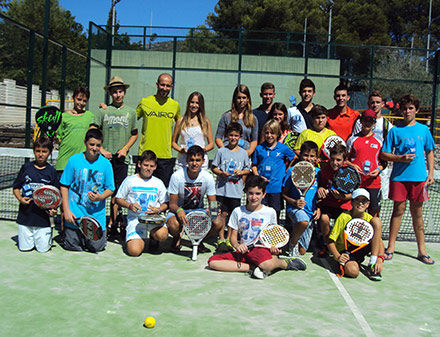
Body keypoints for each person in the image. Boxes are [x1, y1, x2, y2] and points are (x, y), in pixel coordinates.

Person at [207, 175, 307, 279]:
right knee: (213, 262)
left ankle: (284, 263)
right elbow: (233, 236)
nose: (254, 197)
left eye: (258, 194)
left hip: (261, 251)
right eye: (251, 193)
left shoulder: (270, 212)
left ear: (264, 194)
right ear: (246, 193)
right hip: (244, 251)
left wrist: (274, 247)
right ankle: (253, 267)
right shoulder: (237, 211)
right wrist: (237, 246)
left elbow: (273, 235)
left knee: (266, 264)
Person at [380, 94, 435, 264]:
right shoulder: (395, 130)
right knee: (398, 211)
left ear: (416, 110)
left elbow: (430, 152)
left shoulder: (424, 130)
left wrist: (431, 174)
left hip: (418, 178)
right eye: (404, 109)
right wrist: (400, 158)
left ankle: (422, 250)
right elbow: (384, 153)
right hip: (399, 178)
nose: (407, 111)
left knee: (417, 214)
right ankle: (390, 247)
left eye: (410, 108)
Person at [91, 76, 138, 236]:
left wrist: (125, 148)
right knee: (101, 190)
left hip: (121, 160)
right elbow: (93, 132)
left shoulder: (131, 112)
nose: (118, 94)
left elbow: (134, 134)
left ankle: (114, 221)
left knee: (118, 193)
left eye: (120, 91)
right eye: (115, 92)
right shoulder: (103, 111)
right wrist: (102, 150)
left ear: (124, 92)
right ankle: (99, 221)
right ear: (110, 93)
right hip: (103, 160)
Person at [60, 128, 115, 253]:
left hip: (95, 218)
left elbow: (110, 188)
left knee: (96, 248)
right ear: (85, 142)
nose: (94, 148)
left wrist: (100, 197)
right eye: (92, 144)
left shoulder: (106, 164)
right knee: (72, 248)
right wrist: (66, 211)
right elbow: (64, 185)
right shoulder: (74, 160)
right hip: (75, 216)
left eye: (98, 145)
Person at [166, 145, 222, 253]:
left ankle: (198, 240)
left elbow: (213, 202)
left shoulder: (208, 177)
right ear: (187, 160)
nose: (194, 163)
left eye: (198, 160)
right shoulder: (176, 176)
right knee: (173, 224)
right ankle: (176, 238)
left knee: (218, 222)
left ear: (203, 161)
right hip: (178, 211)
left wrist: (213, 211)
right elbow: (172, 204)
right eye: (191, 160)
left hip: (198, 211)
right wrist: (179, 210)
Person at [115, 150, 169, 257]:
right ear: (139, 164)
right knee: (134, 252)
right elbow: (118, 199)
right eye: (146, 165)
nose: (148, 168)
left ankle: (154, 238)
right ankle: (138, 238)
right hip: (136, 221)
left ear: (155, 167)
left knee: (163, 235)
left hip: (154, 221)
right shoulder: (130, 180)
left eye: (151, 166)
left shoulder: (158, 183)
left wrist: (158, 210)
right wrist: (129, 205)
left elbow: (166, 203)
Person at [12, 137, 59, 253]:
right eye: (38, 151)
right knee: (24, 249)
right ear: (34, 151)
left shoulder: (52, 172)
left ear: (49, 153)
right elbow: (16, 187)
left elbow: (56, 195)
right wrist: (20, 198)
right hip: (25, 218)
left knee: (43, 250)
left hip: (43, 221)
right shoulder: (26, 168)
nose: (40, 155)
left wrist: (54, 209)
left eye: (44, 151)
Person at [327, 188, 384, 280]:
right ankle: (351, 263)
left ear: (368, 204)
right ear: (352, 202)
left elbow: (379, 243)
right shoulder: (343, 217)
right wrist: (338, 257)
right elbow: (330, 241)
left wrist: (379, 259)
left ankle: (372, 263)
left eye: (364, 201)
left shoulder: (370, 219)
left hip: (362, 247)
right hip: (346, 251)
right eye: (357, 200)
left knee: (377, 221)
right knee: (353, 272)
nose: (360, 203)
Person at [211, 122, 251, 252]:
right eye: (231, 135)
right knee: (221, 214)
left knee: (233, 216)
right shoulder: (222, 151)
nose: (233, 138)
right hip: (221, 190)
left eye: (236, 135)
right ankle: (221, 239)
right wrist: (221, 173)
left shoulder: (244, 153)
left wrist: (241, 172)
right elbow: (214, 167)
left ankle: (229, 239)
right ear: (227, 136)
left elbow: (247, 169)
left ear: (240, 137)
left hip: (236, 191)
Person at [136, 73, 181, 187]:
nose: (164, 88)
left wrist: (174, 141)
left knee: (162, 192)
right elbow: (131, 119)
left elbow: (180, 123)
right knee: (141, 189)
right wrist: (108, 108)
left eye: (168, 86)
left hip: (165, 157)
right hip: (146, 153)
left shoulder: (175, 105)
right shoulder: (145, 102)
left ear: (171, 87)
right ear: (157, 84)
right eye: (162, 85)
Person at [282, 141, 321, 257]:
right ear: (300, 155)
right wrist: (294, 202)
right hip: (294, 210)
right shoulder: (292, 171)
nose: (308, 158)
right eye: (305, 155)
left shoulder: (319, 173)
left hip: (310, 213)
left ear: (316, 158)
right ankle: (293, 242)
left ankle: (292, 240)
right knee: (302, 221)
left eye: (312, 156)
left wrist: (318, 208)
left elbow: (320, 194)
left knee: (302, 251)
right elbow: (283, 194)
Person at [252, 119, 295, 220]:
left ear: (277, 134)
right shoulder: (259, 148)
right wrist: (258, 176)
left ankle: (274, 233)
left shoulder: (283, 148)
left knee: (275, 213)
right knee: (260, 212)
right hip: (262, 187)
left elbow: (294, 158)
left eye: (272, 133)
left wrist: (287, 171)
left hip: (276, 187)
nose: (269, 135)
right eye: (267, 133)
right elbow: (254, 165)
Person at [346, 109, 385, 217]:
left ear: (374, 123)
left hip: (373, 183)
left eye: (370, 121)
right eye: (365, 120)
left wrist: (378, 169)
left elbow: (384, 162)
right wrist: (352, 165)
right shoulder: (352, 139)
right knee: (354, 211)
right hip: (356, 182)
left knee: (374, 212)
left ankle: (374, 234)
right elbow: (345, 160)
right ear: (361, 122)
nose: (367, 123)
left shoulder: (379, 140)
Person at [317, 144, 352, 254]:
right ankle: (326, 244)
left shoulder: (349, 172)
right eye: (332, 159)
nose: (335, 163)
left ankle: (342, 246)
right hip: (328, 204)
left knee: (343, 221)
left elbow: (353, 194)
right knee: (323, 219)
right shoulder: (325, 170)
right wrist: (321, 189)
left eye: (338, 160)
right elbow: (321, 186)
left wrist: (342, 197)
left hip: (344, 205)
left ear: (344, 160)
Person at [56, 87, 95, 175]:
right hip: (65, 162)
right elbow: (59, 138)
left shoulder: (90, 116)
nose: (81, 103)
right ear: (73, 98)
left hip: (83, 163)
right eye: (79, 99)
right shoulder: (63, 116)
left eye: (84, 101)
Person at [172, 92, 214, 169]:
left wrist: (201, 150)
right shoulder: (180, 120)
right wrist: (181, 150)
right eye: (192, 102)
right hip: (183, 162)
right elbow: (173, 143)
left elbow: (211, 144)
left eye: (197, 103)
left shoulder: (205, 121)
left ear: (201, 105)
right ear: (188, 103)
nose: (194, 105)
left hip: (200, 164)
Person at [215, 85, 258, 156]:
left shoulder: (253, 118)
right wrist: (226, 152)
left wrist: (248, 152)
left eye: (244, 98)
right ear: (234, 99)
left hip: (245, 154)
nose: (241, 100)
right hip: (228, 154)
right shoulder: (226, 116)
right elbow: (218, 138)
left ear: (248, 99)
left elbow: (254, 140)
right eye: (239, 98)